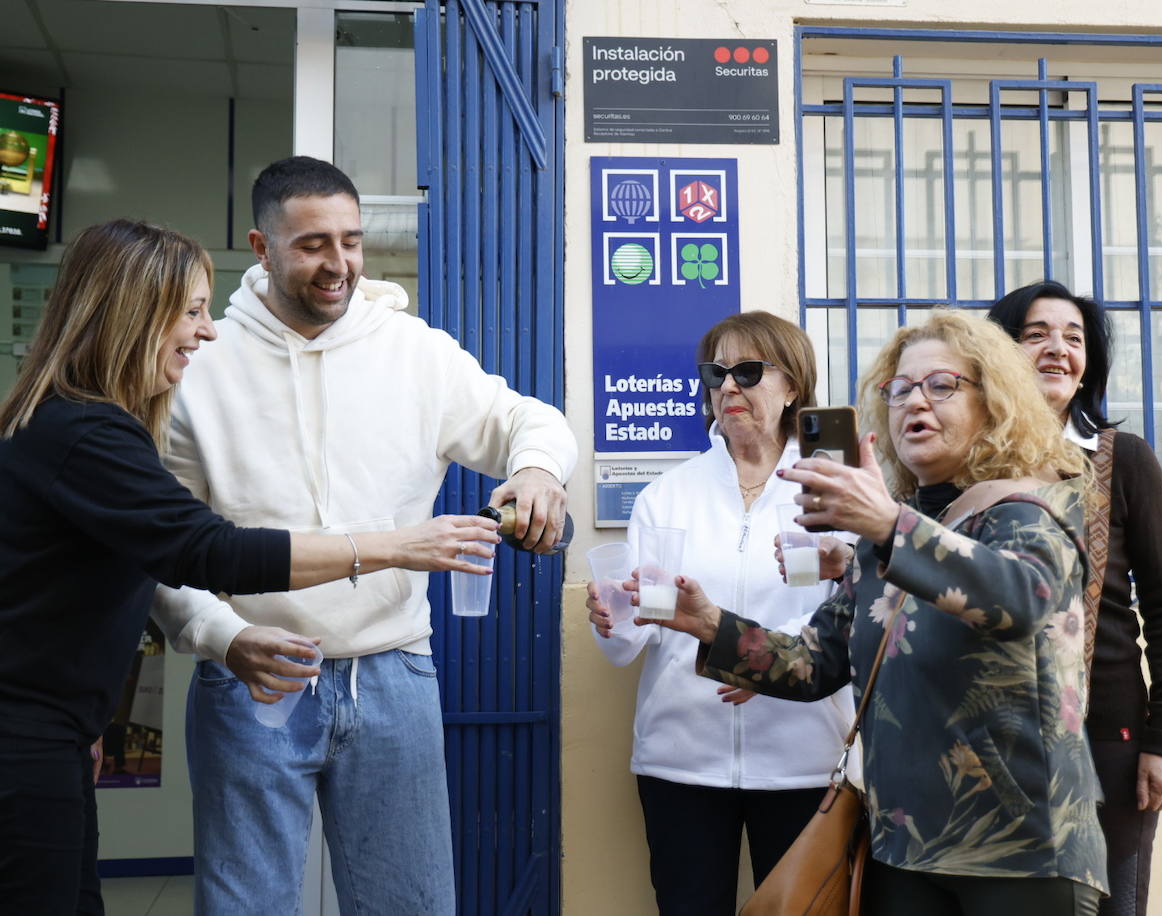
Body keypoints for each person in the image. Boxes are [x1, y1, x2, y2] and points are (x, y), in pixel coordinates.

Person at [0, 219, 492, 915]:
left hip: (51, 734)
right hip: (26, 737)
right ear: (136, 310)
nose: (205, 334)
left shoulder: (83, 425)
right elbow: (212, 551)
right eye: (193, 311)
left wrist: (76, 729)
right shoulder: (85, 433)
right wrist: (393, 546)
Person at [149, 157, 577, 913]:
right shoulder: (199, 366)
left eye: (350, 241)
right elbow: (162, 550)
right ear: (262, 245)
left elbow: (525, 419)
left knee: (410, 904)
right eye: (313, 244)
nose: (338, 264)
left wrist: (539, 469)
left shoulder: (412, 350)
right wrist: (221, 637)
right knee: (245, 906)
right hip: (252, 673)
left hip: (393, 672)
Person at [636, 310, 1107, 915]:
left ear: (992, 403)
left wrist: (888, 525)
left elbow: (1017, 599)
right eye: (900, 389)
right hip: (902, 847)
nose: (916, 402)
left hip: (1021, 849)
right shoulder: (884, 532)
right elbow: (814, 664)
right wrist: (706, 622)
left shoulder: (1025, 504)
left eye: (941, 386)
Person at [585, 311, 851, 915]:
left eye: (749, 371)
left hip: (803, 761)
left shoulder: (833, 490)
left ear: (793, 388)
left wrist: (766, 662)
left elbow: (861, 621)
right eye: (716, 373)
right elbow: (635, 634)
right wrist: (611, 618)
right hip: (682, 763)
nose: (728, 387)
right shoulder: (667, 495)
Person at [989, 281, 1162, 916]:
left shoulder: (1122, 459)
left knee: (1111, 903)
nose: (1057, 349)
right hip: (992, 735)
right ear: (997, 353)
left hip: (1109, 731)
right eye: (1036, 334)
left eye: (1073, 338)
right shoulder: (969, 464)